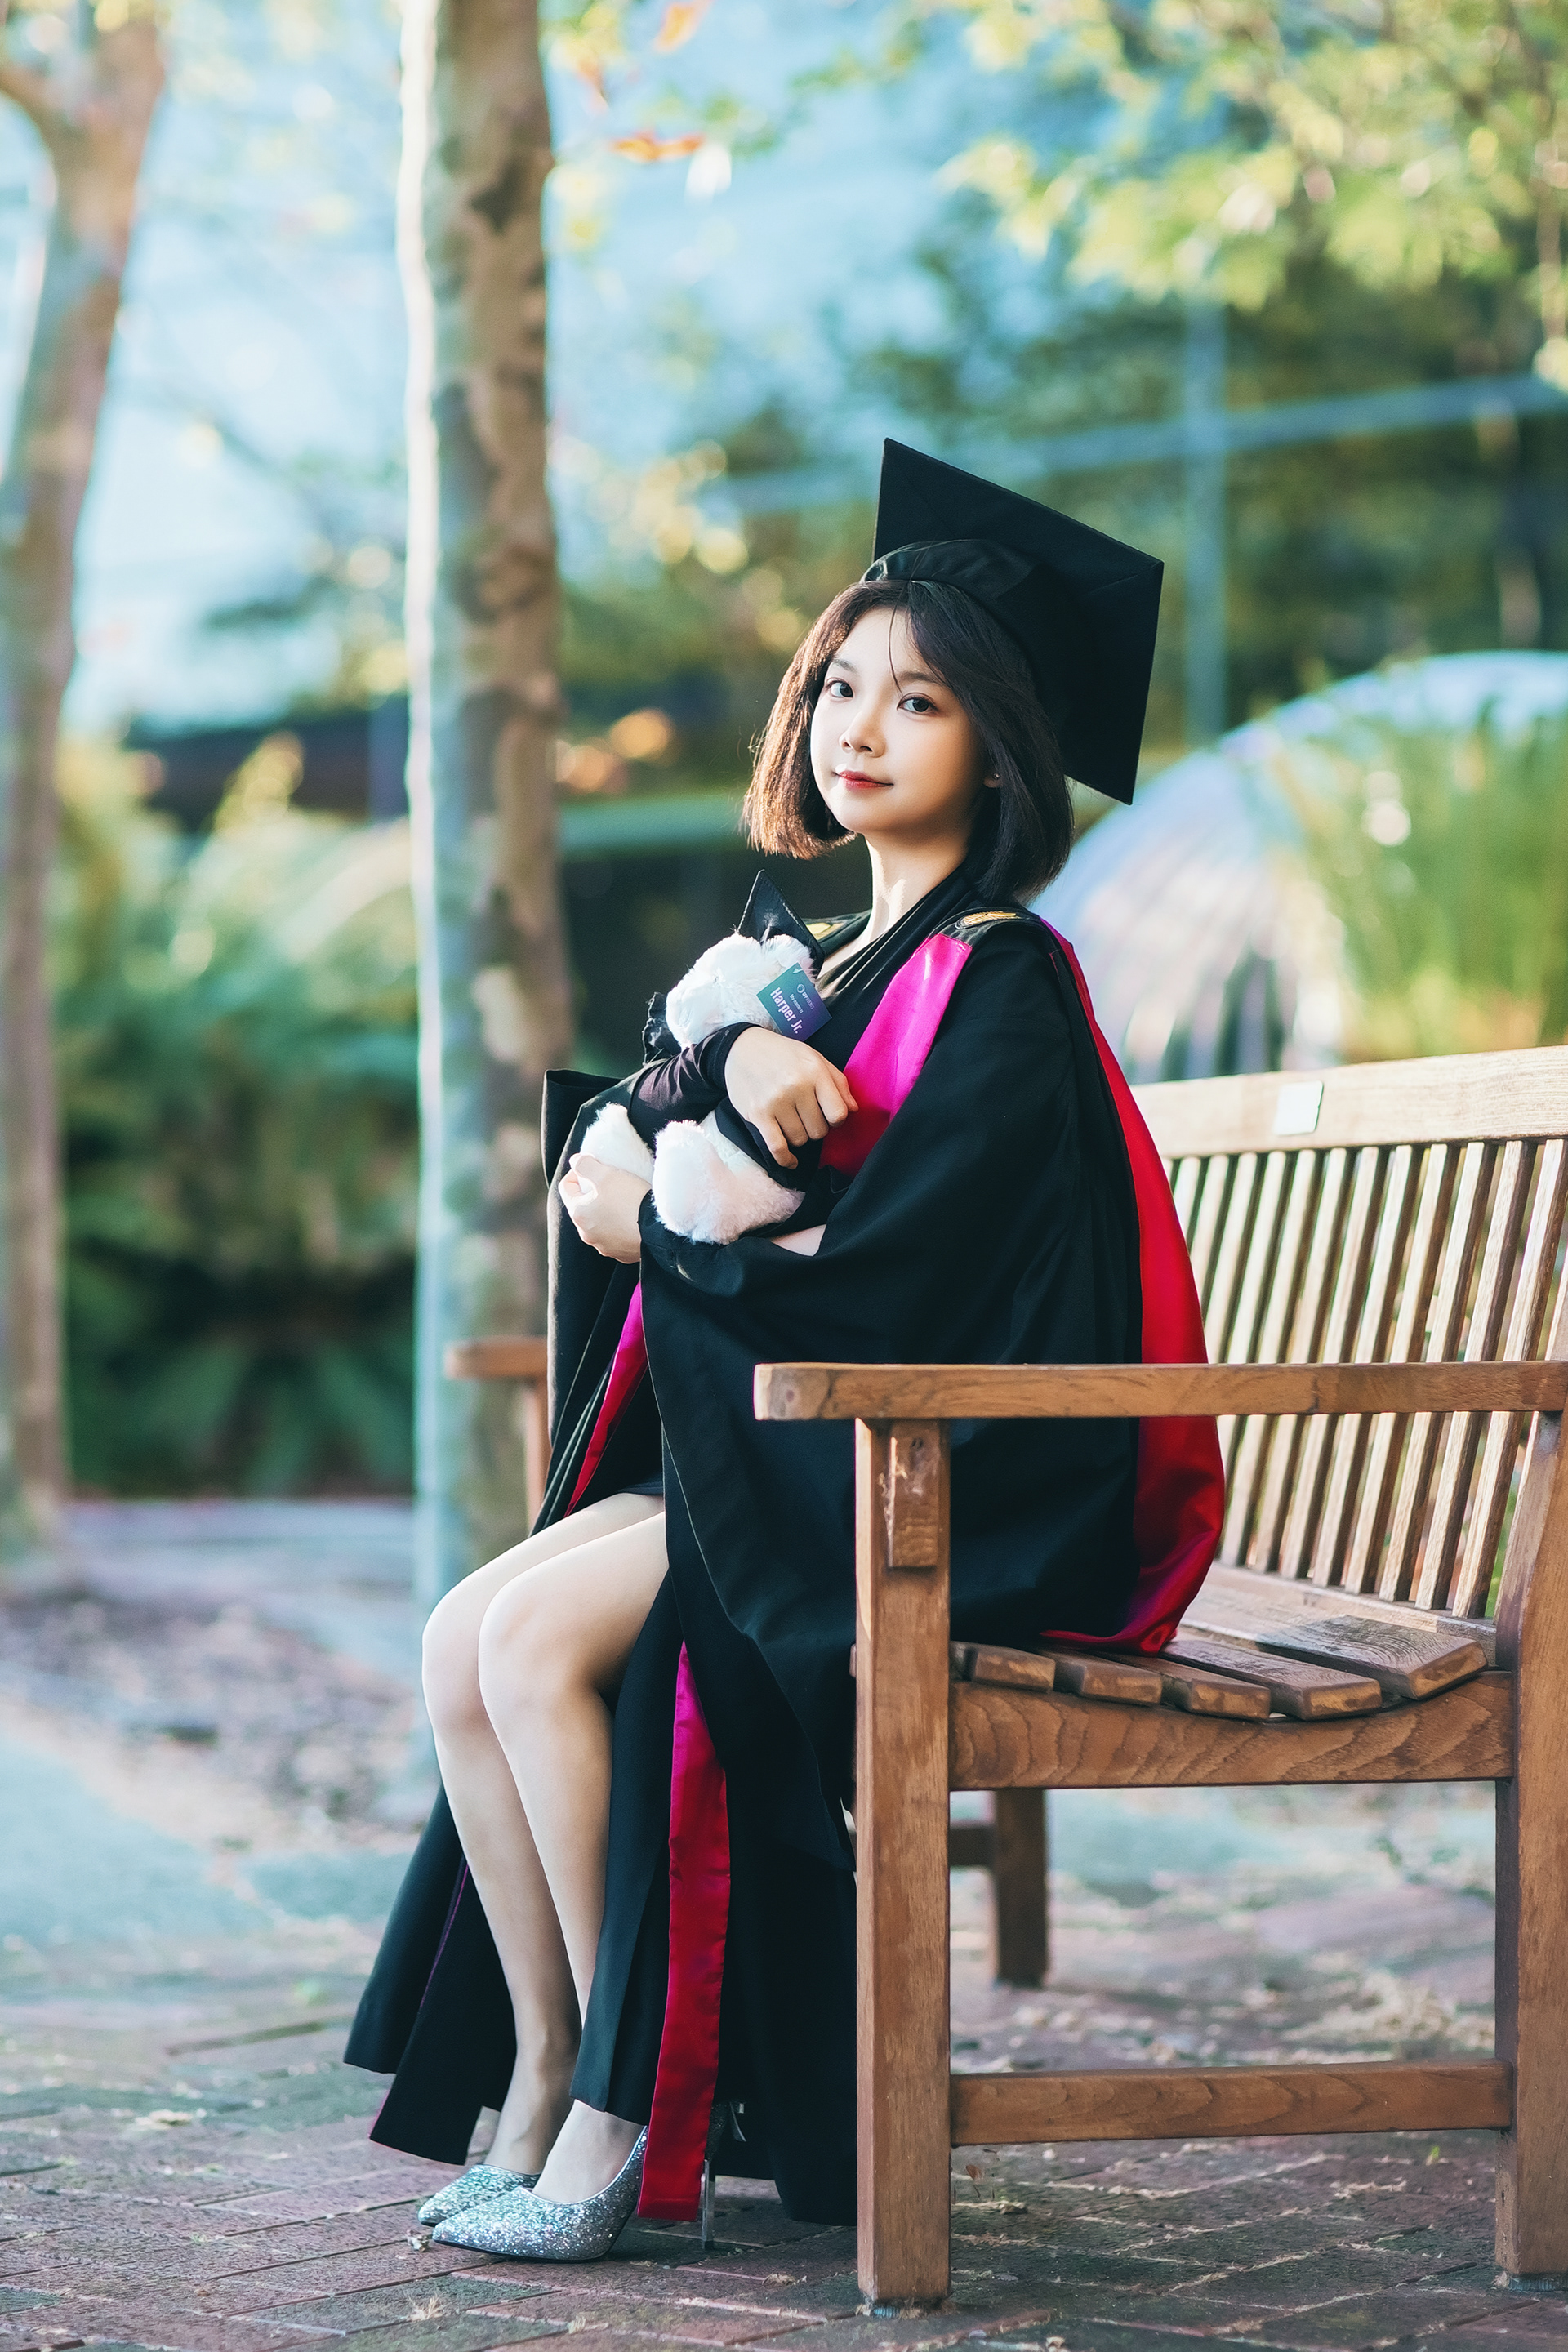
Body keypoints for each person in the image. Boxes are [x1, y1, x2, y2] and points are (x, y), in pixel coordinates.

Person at [345, 441, 1225, 2261]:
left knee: (545, 1642)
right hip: (827, 1444)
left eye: (921, 700)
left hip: (962, 1484)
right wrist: (723, 1074)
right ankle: (541, 2074)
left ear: (1002, 747)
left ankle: (622, 2118)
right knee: (463, 1640)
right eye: (841, 685)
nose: (861, 727)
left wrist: (661, 1224)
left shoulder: (1000, 977)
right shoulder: (838, 959)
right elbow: (668, 1107)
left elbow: (901, 1284)